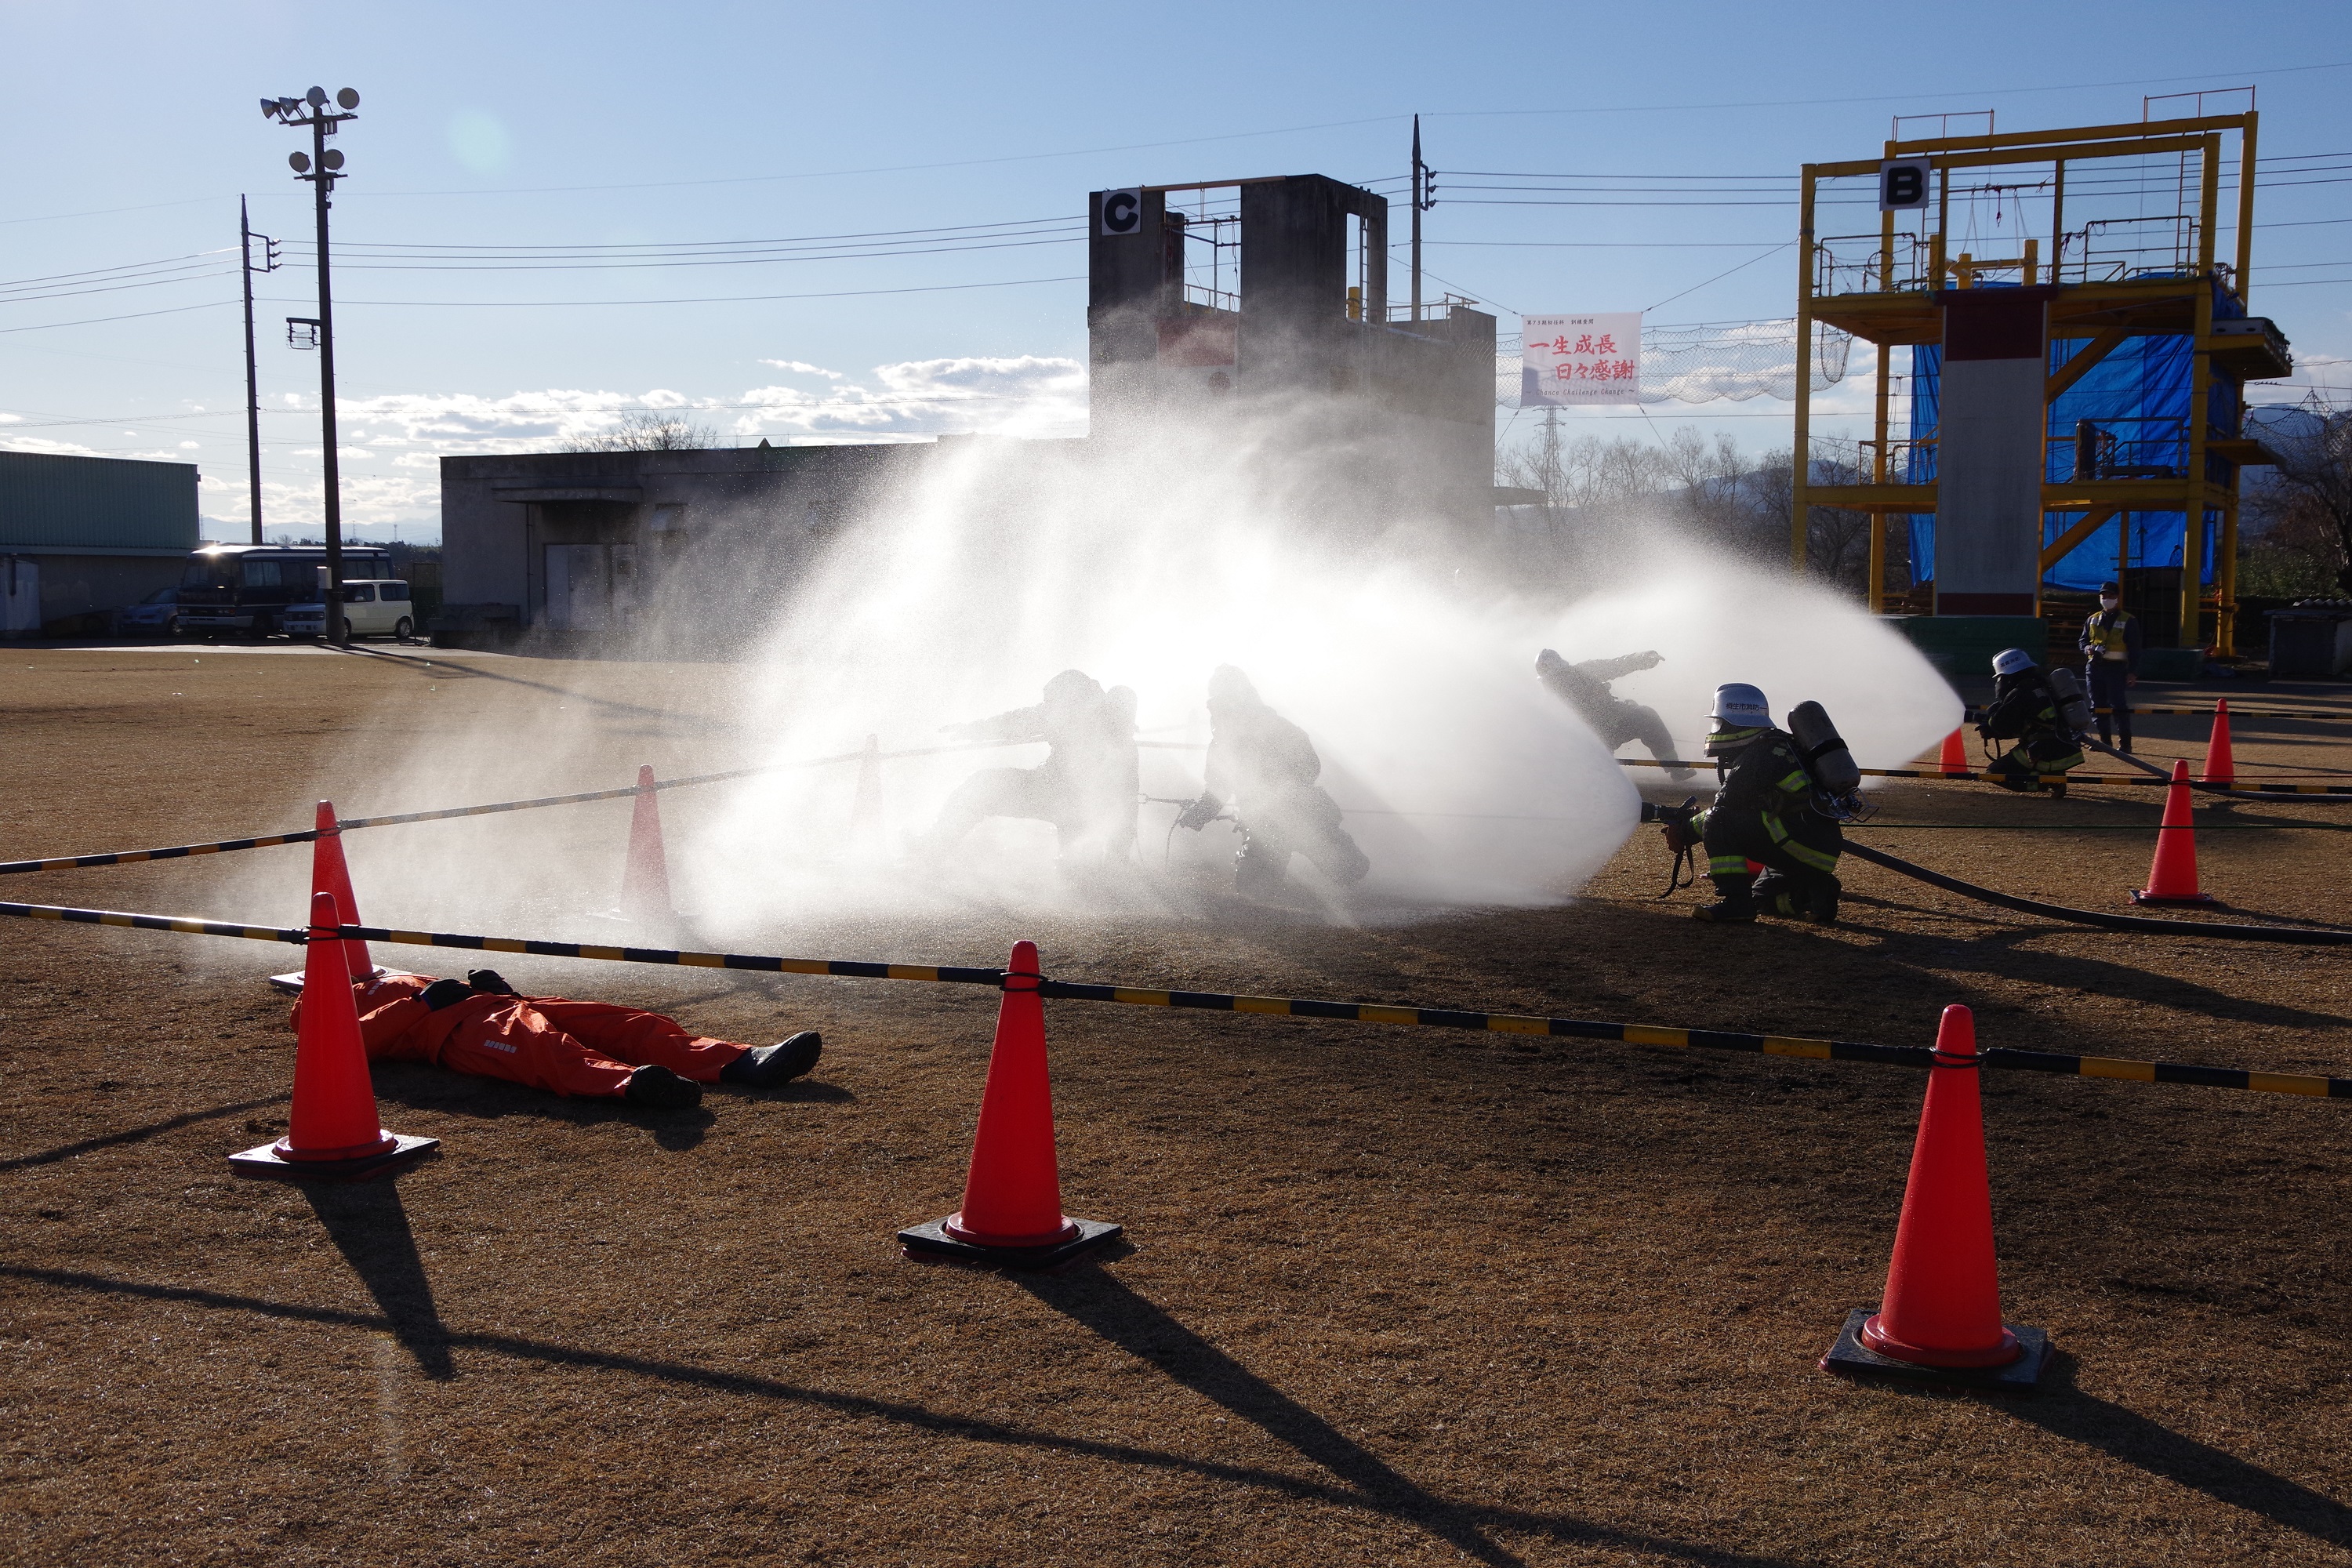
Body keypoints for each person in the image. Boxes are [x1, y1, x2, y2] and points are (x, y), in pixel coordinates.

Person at [289, 967, 822, 1110]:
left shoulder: (376, 972)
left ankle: (744, 1062)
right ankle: (633, 1087)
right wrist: (421, 1005)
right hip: (458, 1035)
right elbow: (340, 1046)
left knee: (623, 1022)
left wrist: (498, 989)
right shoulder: (311, 1002)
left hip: (498, 1007)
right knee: (550, 1050)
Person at [1176, 665, 1370, 896]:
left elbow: (1310, 765)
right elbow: (1219, 788)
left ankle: (1347, 870)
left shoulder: (1273, 729)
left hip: (1303, 813)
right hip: (1266, 824)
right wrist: (1199, 814)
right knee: (1254, 885)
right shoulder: (1228, 740)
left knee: (1350, 868)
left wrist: (1282, 787)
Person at [918, 669, 1139, 866]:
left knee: (980, 787)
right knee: (1078, 867)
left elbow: (1018, 721)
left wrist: (973, 730)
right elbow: (1018, 721)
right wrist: (973, 730)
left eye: (1051, 701)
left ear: (1069, 697)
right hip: (1066, 798)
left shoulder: (1078, 716)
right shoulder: (1111, 726)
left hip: (1062, 797)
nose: (1048, 707)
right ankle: (932, 847)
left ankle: (931, 848)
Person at [1662, 682, 1842, 924]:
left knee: (1719, 820)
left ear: (1734, 723)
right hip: (1818, 850)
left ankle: (1736, 903)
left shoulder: (1759, 756)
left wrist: (1684, 831)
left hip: (1799, 843)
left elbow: (1723, 811)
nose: (1717, 728)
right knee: (1763, 899)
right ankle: (1814, 891)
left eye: (1720, 722)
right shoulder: (1780, 744)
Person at [1534, 648, 1693, 779]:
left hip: (1612, 728)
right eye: (1554, 680)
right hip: (1588, 742)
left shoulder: (1584, 671)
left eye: (1562, 676)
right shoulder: (1546, 704)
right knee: (1645, 718)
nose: (1560, 682)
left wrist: (1644, 658)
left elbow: (1616, 665)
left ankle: (1674, 767)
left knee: (1646, 716)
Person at [1977, 648, 2085, 797]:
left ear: (2008, 675)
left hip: (2043, 750)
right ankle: (2053, 774)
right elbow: (2021, 725)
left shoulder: (2021, 692)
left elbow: (2001, 725)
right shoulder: (2042, 685)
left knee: (1994, 772)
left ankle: (2047, 783)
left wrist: (1988, 726)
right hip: (2064, 745)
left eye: (2000, 678)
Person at [2078, 580, 2142, 752]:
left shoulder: (2128, 620)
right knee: (2098, 705)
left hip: (2116, 669)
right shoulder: (2092, 619)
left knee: (2118, 705)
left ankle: (2125, 743)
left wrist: (2132, 672)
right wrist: (2087, 648)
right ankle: (2105, 742)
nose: (2107, 599)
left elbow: (2135, 649)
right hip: (2094, 667)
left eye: (2111, 596)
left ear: (2117, 598)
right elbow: (2082, 641)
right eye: (2104, 596)